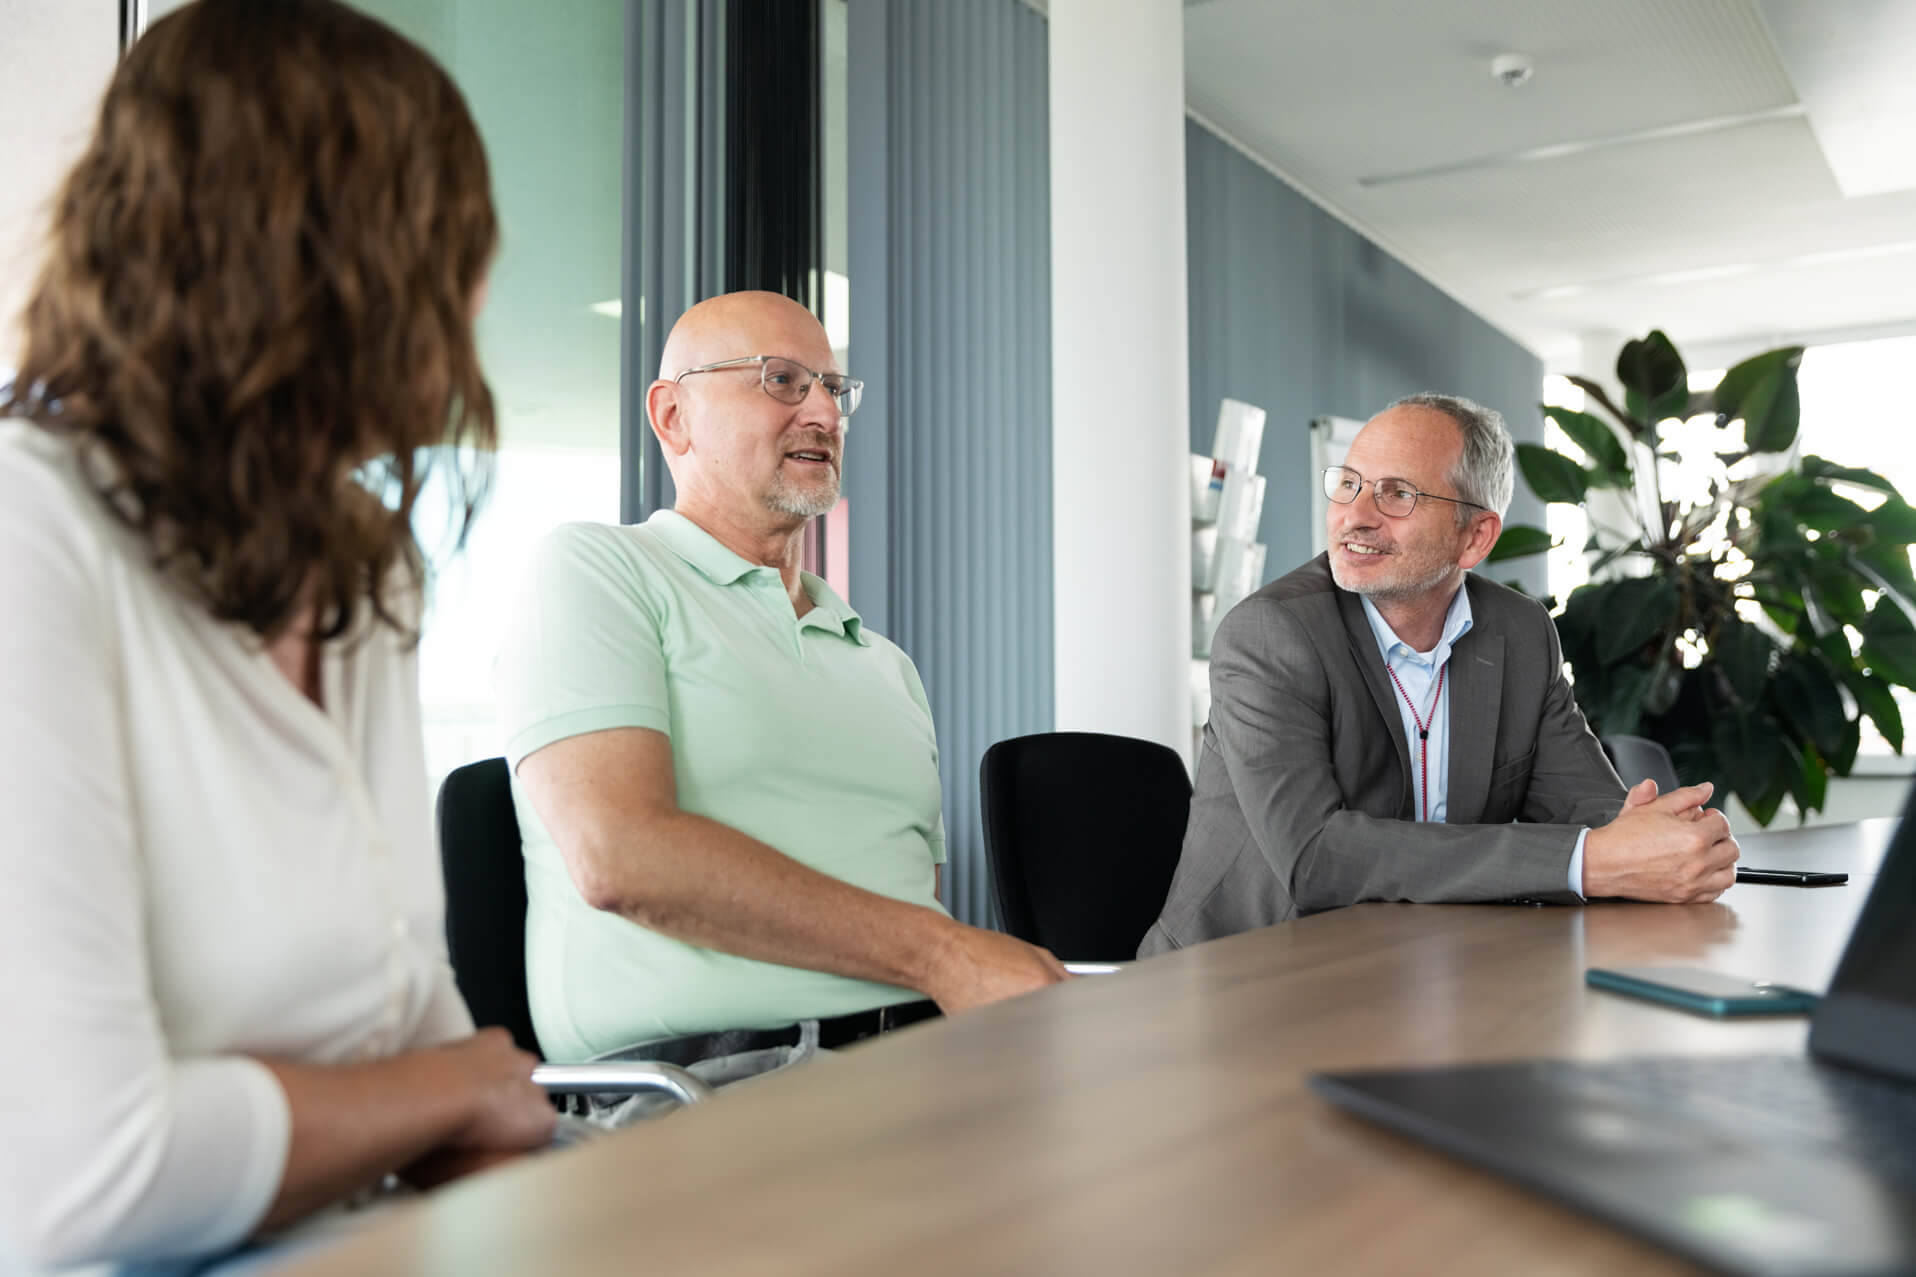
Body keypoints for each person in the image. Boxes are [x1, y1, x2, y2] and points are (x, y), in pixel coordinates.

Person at [0, 3, 557, 1269]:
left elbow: (407, 1003)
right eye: (454, 240)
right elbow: (82, 1172)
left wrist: (447, 1094)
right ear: (332, 253)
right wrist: (443, 1092)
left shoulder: (362, 566)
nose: (477, 294)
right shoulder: (28, 531)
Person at [495, 290, 1068, 1065]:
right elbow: (618, 853)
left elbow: (909, 897)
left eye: (833, 388)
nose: (825, 415)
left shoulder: (886, 666)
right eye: (781, 380)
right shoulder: (596, 572)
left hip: (921, 1062)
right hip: (708, 1088)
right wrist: (943, 953)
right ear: (673, 417)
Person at [1141, 393, 1739, 955]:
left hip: (1421, 964)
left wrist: (1668, 844)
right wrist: (1591, 860)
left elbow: (1598, 815)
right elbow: (1318, 858)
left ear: (1474, 537)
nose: (1355, 516)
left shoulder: (1519, 632)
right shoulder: (1270, 634)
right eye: (1348, 485)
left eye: (1396, 494)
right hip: (1245, 978)